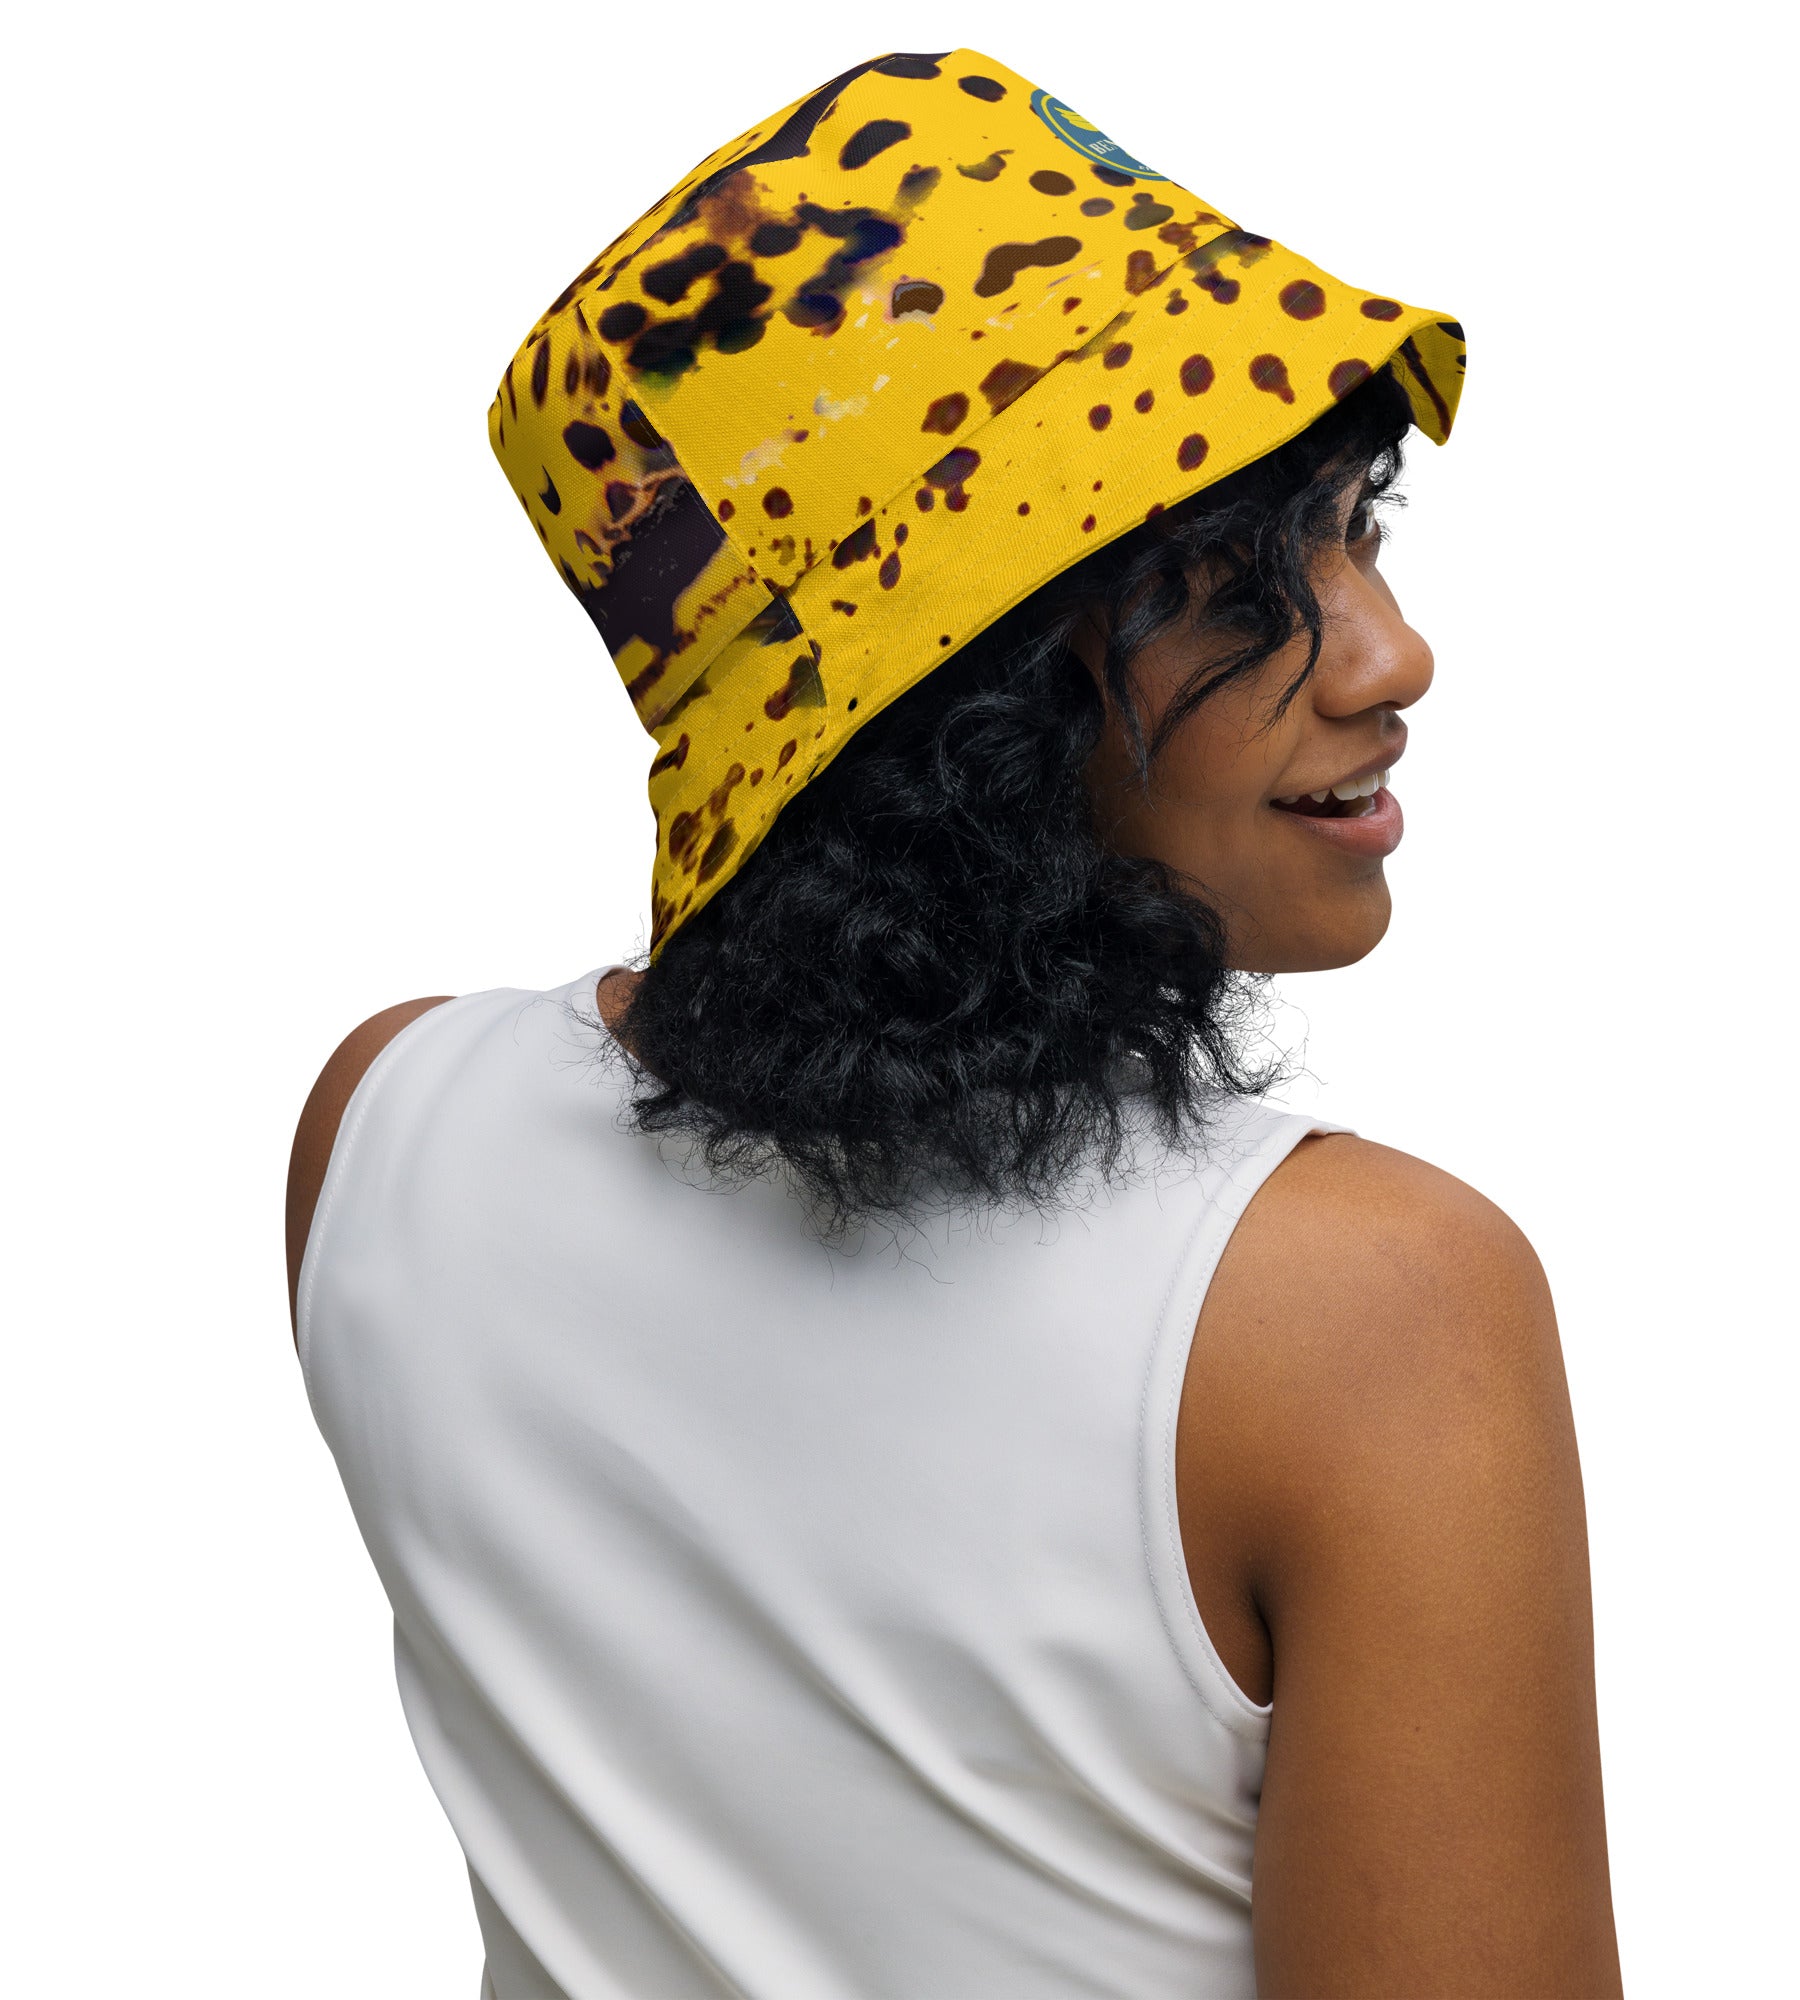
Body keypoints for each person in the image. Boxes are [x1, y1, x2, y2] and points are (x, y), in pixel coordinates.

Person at [288, 48, 1622, 1999]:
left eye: (1364, 527)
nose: (1390, 654)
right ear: (965, 707)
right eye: (1232, 584)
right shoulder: (1368, 1312)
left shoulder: (387, 1130)